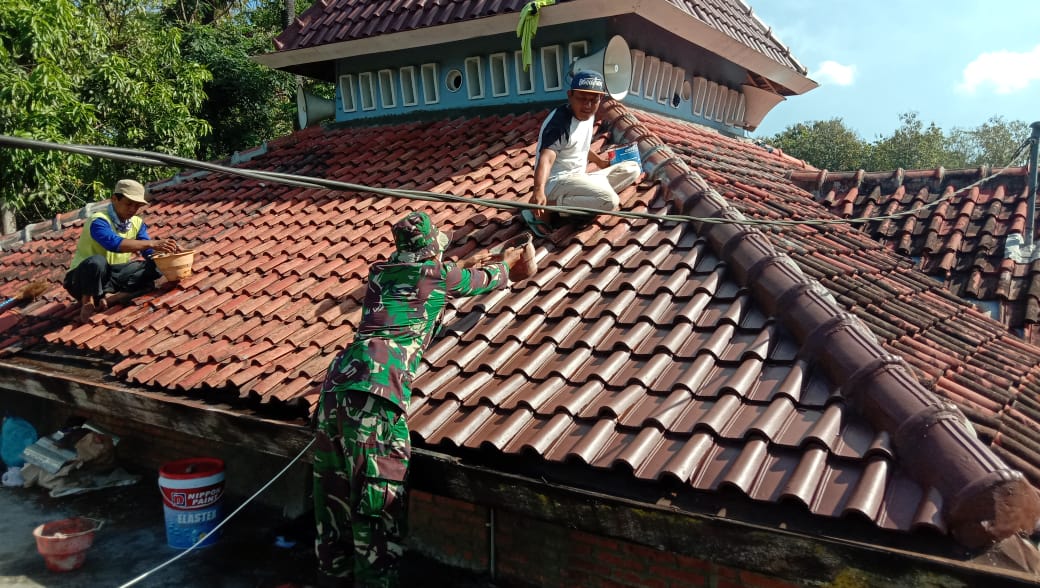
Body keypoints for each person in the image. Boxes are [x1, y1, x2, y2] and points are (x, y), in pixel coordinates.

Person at [313, 211, 523, 588]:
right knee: (376, 502)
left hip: (337, 384)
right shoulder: (437, 276)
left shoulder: (380, 275)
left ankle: (334, 579)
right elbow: (491, 278)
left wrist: (453, 265)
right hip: (376, 390)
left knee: (335, 497)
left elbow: (422, 307)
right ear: (432, 251)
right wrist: (506, 264)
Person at [523, 70, 642, 237]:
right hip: (557, 182)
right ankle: (550, 206)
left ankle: (585, 200)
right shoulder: (560, 122)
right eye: (582, 98)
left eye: (594, 100)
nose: (587, 105)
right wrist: (538, 190)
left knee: (633, 168)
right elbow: (546, 158)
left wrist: (600, 163)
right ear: (570, 95)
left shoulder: (588, 115)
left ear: (600, 99)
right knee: (610, 201)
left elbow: (581, 146)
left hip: (578, 178)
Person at [63, 179, 180, 321]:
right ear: (114, 199)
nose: (132, 209)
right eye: (128, 204)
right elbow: (113, 244)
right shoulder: (99, 221)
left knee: (156, 265)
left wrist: (168, 253)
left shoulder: (137, 223)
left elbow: (148, 252)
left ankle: (111, 299)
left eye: (136, 206)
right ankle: (87, 302)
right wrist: (152, 243)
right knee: (97, 262)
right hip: (83, 280)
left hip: (111, 278)